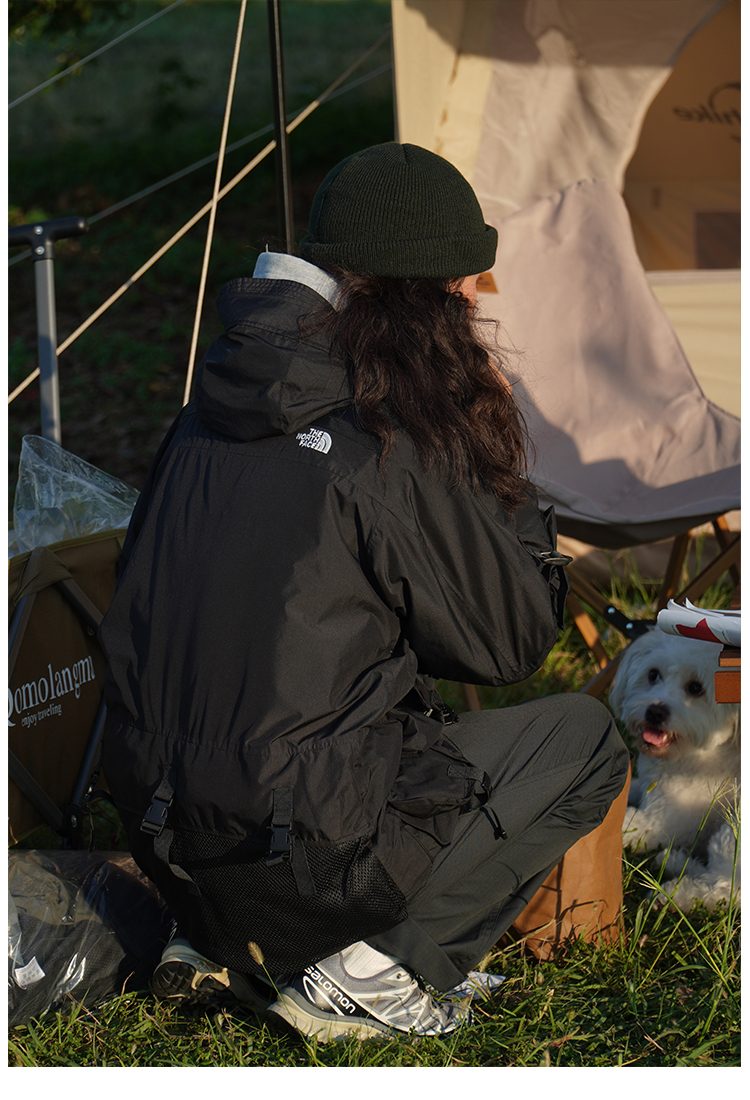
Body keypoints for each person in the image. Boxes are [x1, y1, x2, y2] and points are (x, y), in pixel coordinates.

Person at [99, 142, 629, 1043]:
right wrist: (497, 477)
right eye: (465, 283)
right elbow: (508, 642)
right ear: (421, 298)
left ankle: (226, 946)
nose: (476, 300)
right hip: (300, 857)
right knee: (580, 739)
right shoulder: (377, 434)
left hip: (169, 838)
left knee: (349, 730)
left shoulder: (203, 413)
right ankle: (371, 967)